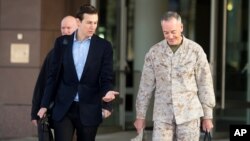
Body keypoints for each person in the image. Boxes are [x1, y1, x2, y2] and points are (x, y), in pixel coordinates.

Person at [37, 4, 119, 141]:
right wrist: (44, 105)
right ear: (78, 22)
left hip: (89, 108)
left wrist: (107, 100)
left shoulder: (104, 46)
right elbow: (53, 76)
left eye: (95, 23)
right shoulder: (61, 43)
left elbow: (106, 77)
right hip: (64, 108)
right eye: (89, 22)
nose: (93, 26)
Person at [133, 11, 216, 141]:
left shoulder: (195, 51)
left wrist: (207, 116)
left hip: (189, 115)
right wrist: (140, 116)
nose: (170, 36)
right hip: (163, 116)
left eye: (173, 32)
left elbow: (205, 84)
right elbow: (145, 86)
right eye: (166, 33)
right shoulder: (154, 53)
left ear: (181, 27)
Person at [31, 15, 78, 139]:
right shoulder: (53, 54)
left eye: (69, 28)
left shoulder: (86, 53)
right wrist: (35, 110)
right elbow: (42, 83)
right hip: (60, 108)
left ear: (77, 28)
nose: (65, 31)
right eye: (63, 28)